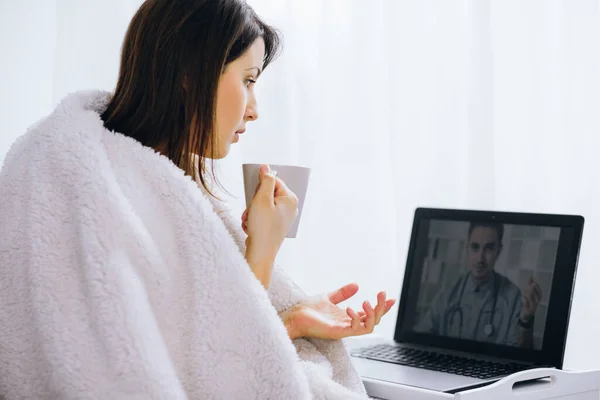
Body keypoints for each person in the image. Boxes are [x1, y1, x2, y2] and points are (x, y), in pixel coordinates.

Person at [0, 1, 394, 398]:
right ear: (191, 73)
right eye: (248, 80)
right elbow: (212, 377)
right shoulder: (102, 191)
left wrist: (287, 323)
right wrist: (261, 251)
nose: (254, 110)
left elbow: (183, 348)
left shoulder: (141, 179)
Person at [415, 222, 542, 348]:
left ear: (499, 251)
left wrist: (525, 320)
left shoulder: (512, 297)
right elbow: (420, 339)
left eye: (489, 248)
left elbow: (520, 357)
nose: (480, 258)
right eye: (475, 247)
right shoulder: (449, 291)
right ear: (467, 249)